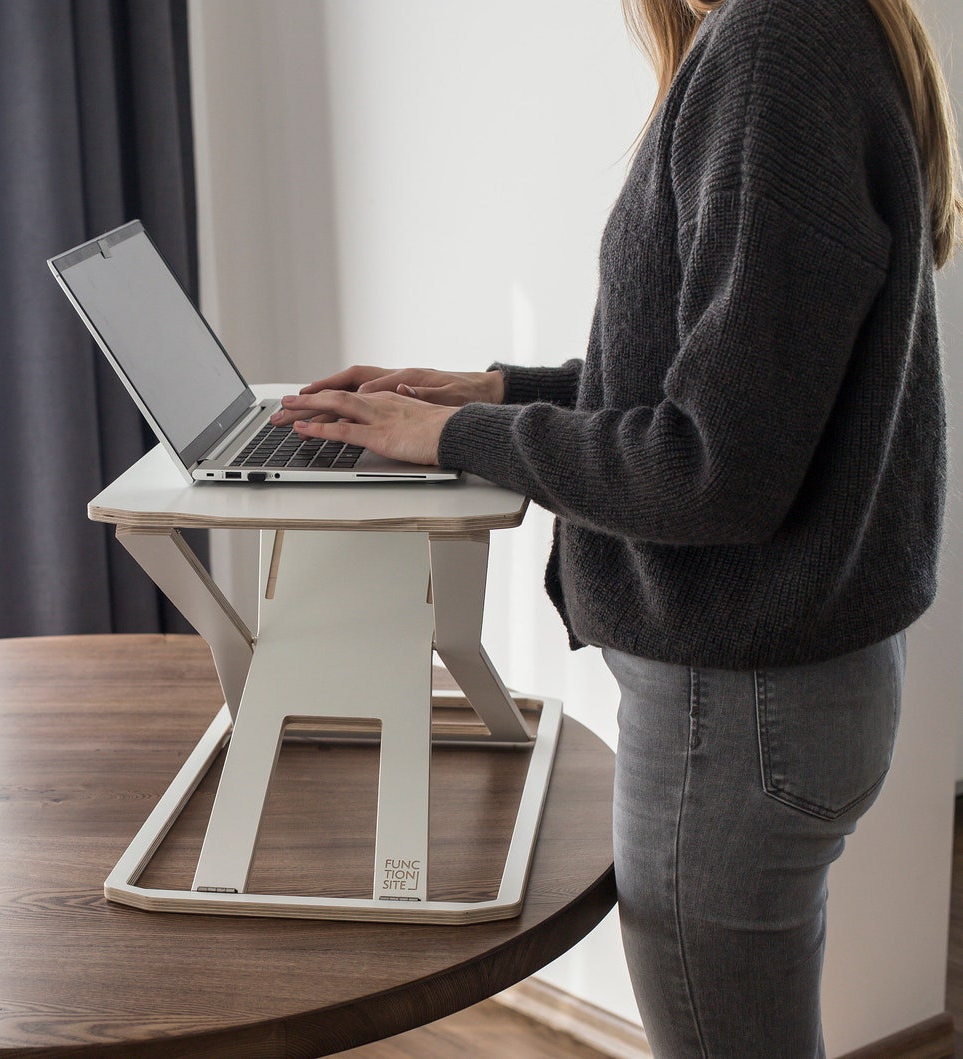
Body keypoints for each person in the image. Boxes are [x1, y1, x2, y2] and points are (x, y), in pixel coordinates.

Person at [270, 0, 962, 1055]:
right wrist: (486, 395)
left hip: (742, 715)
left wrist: (460, 438)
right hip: (788, 696)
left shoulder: (778, 46)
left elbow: (709, 471)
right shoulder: (806, 31)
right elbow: (723, 391)